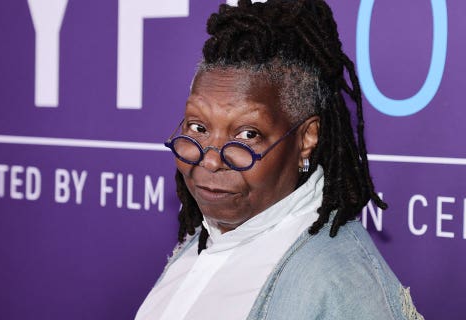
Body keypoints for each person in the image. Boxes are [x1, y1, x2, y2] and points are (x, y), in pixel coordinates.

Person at [135, 0, 423, 319]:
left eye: (247, 134)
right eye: (198, 127)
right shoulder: (206, 239)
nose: (212, 162)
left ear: (306, 138)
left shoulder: (339, 285)